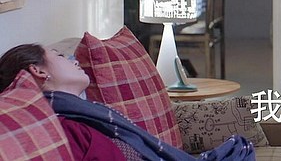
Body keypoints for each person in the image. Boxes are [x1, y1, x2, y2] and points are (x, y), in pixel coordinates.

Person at [0, 43, 254, 161]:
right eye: (60, 56)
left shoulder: (88, 113)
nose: (74, 60)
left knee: (240, 148)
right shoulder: (64, 130)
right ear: (38, 71)